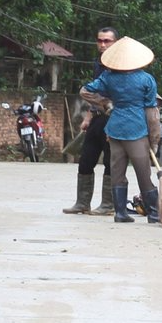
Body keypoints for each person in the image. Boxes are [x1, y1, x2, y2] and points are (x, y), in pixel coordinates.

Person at [83, 36, 162, 225]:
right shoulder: (146, 79)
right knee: (143, 173)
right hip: (136, 129)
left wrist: (106, 104)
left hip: (114, 129)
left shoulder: (108, 77)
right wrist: (154, 139)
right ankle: (153, 213)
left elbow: (85, 91)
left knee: (117, 172)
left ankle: (120, 212)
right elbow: (152, 113)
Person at [62, 27, 120, 215]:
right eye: (100, 40)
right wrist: (88, 116)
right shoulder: (99, 63)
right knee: (86, 159)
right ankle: (82, 202)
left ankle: (108, 204)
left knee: (111, 162)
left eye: (107, 41)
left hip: (114, 119)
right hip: (97, 118)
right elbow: (95, 95)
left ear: (115, 43)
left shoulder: (121, 65)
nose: (103, 44)